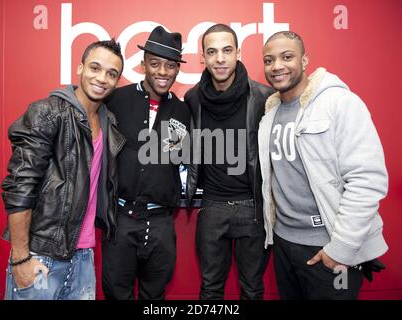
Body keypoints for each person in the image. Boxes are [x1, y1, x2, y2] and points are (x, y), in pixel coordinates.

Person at [258, 31, 388, 299]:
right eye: (269, 60)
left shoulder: (340, 103)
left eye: (287, 57)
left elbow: (367, 180)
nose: (277, 66)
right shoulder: (269, 115)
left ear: (304, 61)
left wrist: (339, 249)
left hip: (329, 249)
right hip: (284, 245)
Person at [1, 39, 125, 300]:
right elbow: (20, 188)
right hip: (40, 254)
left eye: (111, 74)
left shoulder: (108, 121)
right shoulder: (47, 112)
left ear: (116, 81)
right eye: (95, 68)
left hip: (84, 255)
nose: (102, 78)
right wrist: (21, 258)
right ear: (80, 68)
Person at [101, 26, 191, 300]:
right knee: (117, 292)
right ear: (143, 65)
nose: (163, 72)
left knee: (155, 295)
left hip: (162, 221)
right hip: (121, 218)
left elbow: (178, 159)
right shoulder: (115, 100)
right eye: (155, 64)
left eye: (170, 66)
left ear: (177, 69)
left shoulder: (182, 110)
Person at [185, 24, 273, 300]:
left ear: (238, 52)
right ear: (203, 57)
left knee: (252, 289)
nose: (220, 59)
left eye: (226, 50)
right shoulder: (193, 98)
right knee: (210, 289)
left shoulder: (264, 97)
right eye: (212, 52)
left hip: (253, 208)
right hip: (212, 207)